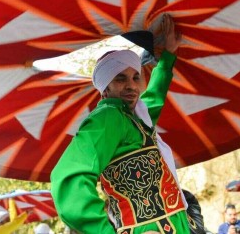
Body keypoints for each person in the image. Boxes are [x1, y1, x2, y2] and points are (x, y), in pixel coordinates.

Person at [51, 13, 189, 233]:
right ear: (105, 88)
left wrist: (168, 57)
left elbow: (154, 97)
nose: (131, 86)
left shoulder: (136, 117)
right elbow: (68, 178)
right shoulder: (108, 117)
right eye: (120, 79)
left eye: (135, 77)